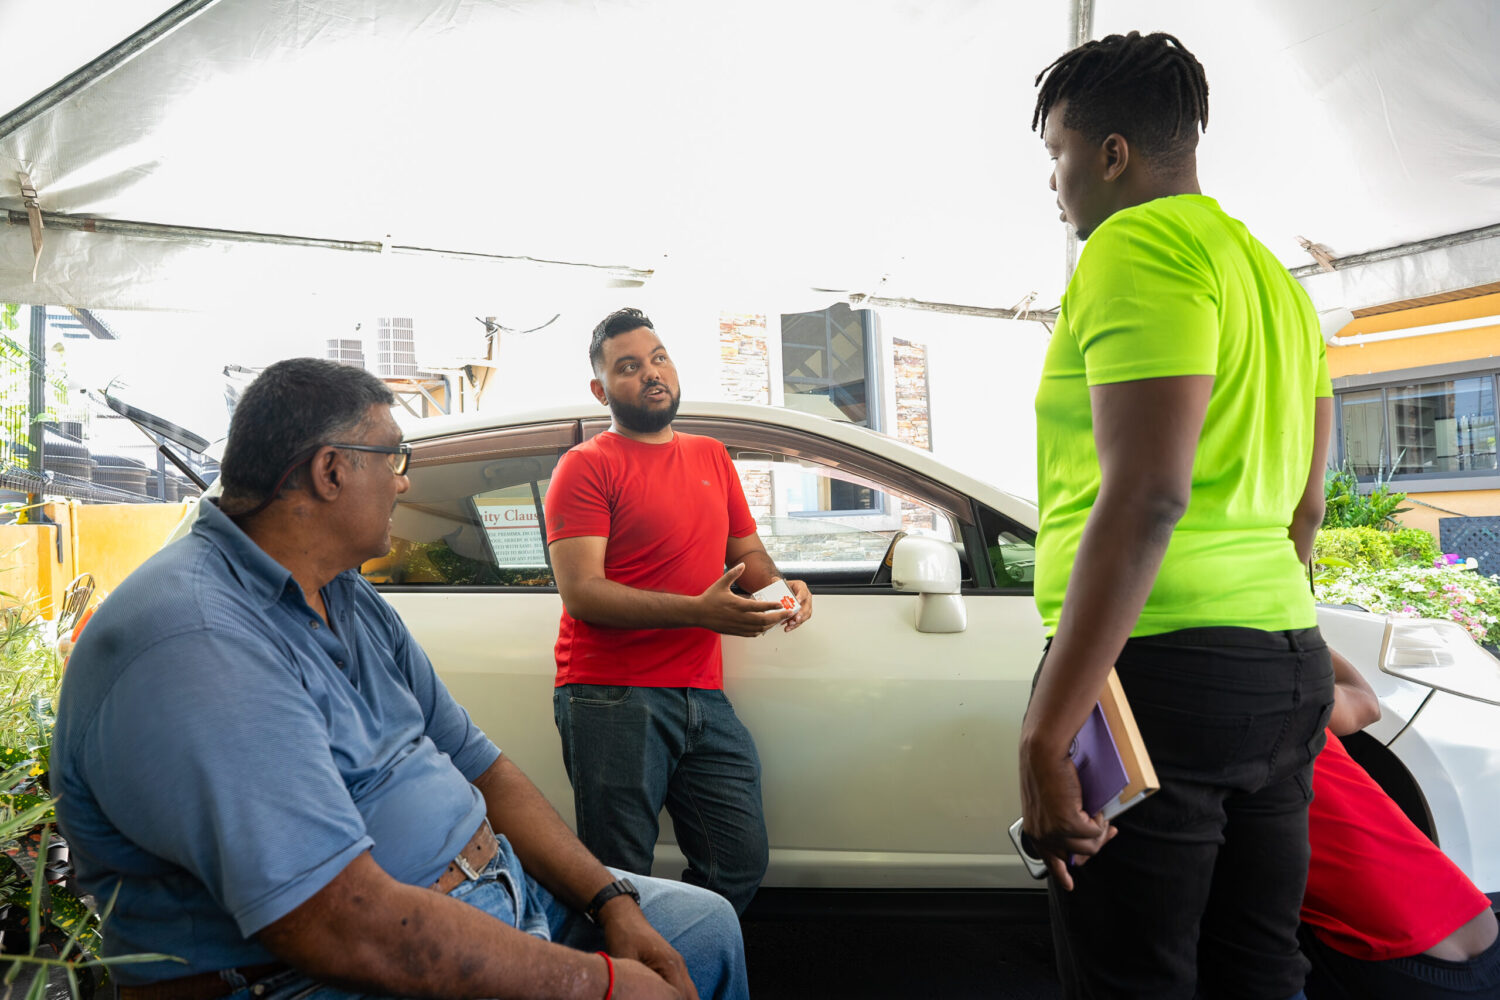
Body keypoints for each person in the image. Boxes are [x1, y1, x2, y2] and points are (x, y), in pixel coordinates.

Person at [51, 358, 747, 1000]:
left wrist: (611, 900)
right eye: (395, 458)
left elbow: (483, 767)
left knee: (703, 929)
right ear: (330, 471)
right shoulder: (197, 640)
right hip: (322, 972)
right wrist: (597, 983)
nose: (405, 481)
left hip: (493, 889)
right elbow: (338, 924)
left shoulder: (346, 593)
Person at [1020, 31, 1334, 998]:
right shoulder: (1274, 279)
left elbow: (1150, 493)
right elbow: (1308, 505)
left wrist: (1045, 733)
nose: (1055, 183)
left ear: (1112, 154)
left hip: (1157, 670)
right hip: (1284, 663)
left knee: (1134, 978)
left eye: (1059, 154)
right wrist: (1270, 629)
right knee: (1260, 966)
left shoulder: (1135, 243)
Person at [546, 307, 812, 917]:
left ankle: (675, 958)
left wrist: (785, 590)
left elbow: (748, 556)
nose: (651, 373)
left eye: (658, 358)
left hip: (702, 693)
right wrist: (699, 612)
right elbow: (582, 592)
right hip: (612, 694)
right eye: (628, 367)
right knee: (618, 877)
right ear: (601, 390)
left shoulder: (711, 456)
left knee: (737, 861)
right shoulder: (587, 465)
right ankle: (629, 965)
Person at [1299, 649, 1500, 999]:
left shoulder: (1208, 708)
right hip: (1480, 929)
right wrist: (1303, 635)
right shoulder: (1289, 691)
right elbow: (1366, 704)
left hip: (1392, 958)